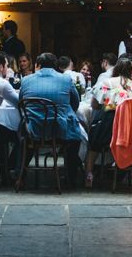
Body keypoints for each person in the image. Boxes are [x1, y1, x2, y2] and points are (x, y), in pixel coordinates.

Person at [19, 52, 83, 185]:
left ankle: (21, 175)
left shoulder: (26, 80)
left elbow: (21, 102)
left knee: (23, 134)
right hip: (60, 130)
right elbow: (76, 101)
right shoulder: (65, 80)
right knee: (76, 138)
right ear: (56, 66)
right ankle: (71, 178)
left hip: (34, 129)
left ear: (37, 65)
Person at [84, 57, 132, 187]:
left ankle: (89, 174)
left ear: (116, 69)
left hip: (110, 130)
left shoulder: (107, 83)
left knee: (93, 143)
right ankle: (131, 170)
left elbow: (94, 105)